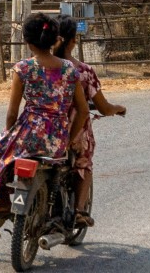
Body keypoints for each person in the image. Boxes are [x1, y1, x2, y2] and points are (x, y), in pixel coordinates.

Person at [0, 13, 89, 241]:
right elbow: (82, 110)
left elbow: (12, 113)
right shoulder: (70, 70)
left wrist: (8, 134)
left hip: (27, 137)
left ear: (28, 42)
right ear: (54, 40)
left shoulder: (23, 68)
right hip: (56, 142)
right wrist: (68, 138)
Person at [54, 16, 126, 228]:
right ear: (73, 40)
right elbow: (102, 107)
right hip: (74, 133)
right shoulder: (82, 71)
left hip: (44, 129)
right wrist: (118, 109)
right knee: (83, 163)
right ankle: (78, 211)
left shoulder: (39, 67)